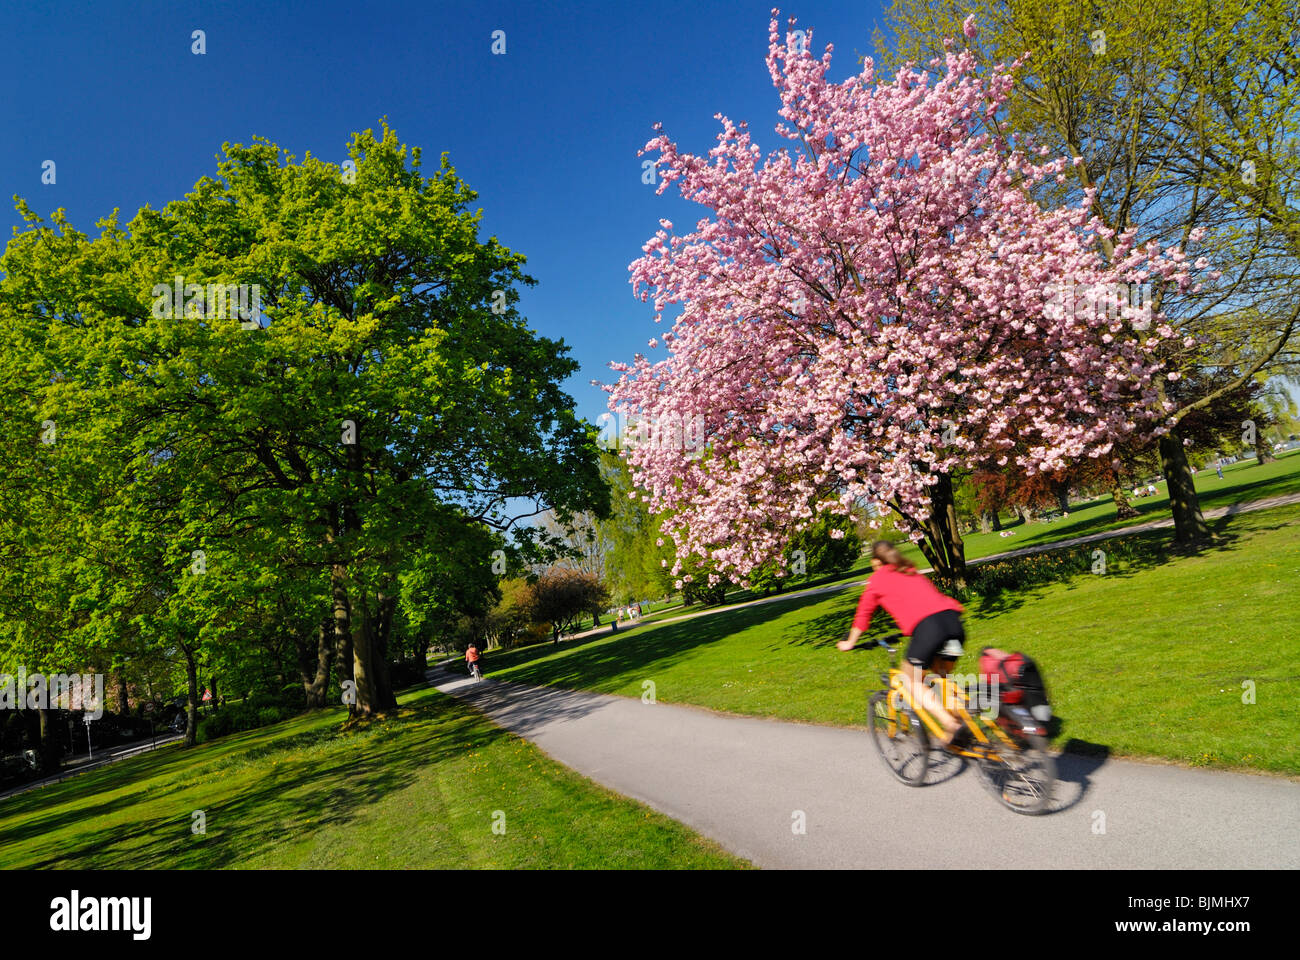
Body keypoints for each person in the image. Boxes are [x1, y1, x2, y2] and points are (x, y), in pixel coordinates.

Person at [838, 541, 967, 748]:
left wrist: (850, 642)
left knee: (910, 680)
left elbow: (864, 615)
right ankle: (961, 728)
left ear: (875, 561)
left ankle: (951, 724)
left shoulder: (877, 579)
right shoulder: (910, 571)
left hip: (930, 629)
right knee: (942, 678)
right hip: (954, 624)